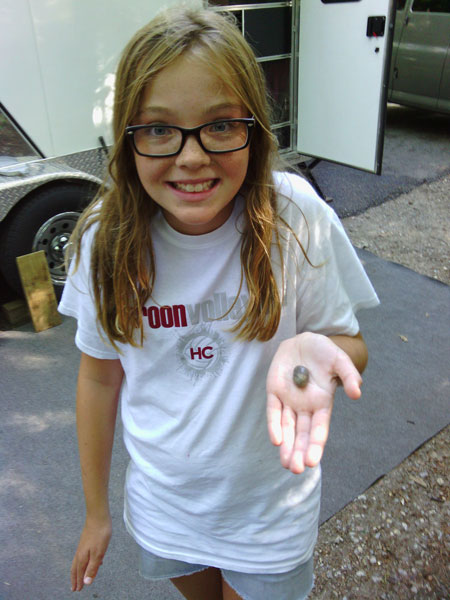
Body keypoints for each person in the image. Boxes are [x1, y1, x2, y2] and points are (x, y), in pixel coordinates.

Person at [59, 7, 379, 600]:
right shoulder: (108, 239)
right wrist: (96, 512)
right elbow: (99, 380)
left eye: (221, 125)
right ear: (127, 137)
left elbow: (351, 348)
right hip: (165, 511)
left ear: (253, 126)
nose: (191, 156)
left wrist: (316, 354)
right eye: (158, 129)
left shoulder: (294, 218)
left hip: (268, 517)